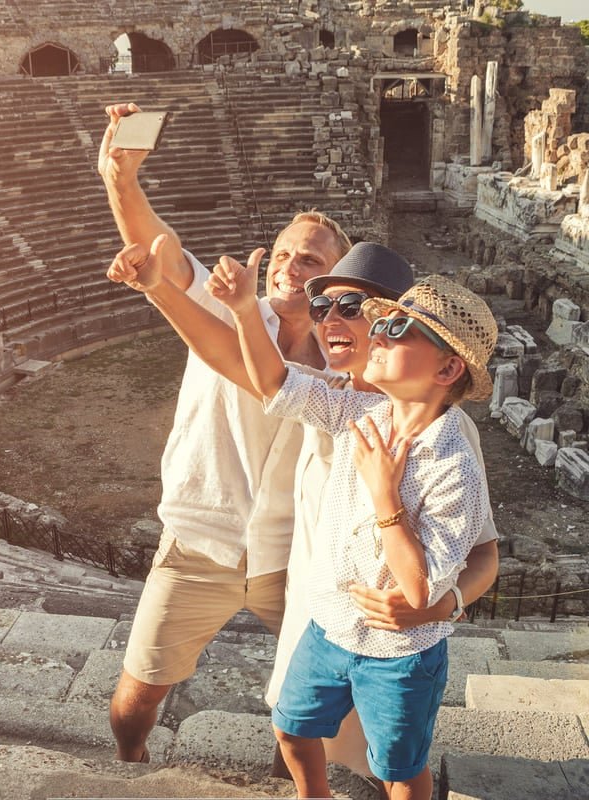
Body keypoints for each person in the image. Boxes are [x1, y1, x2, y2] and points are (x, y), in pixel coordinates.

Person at [98, 103, 499, 771]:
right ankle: (129, 761)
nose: (293, 270)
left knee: (332, 718)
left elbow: (481, 551)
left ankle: (365, 770)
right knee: (141, 686)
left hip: (304, 569)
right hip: (205, 535)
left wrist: (443, 602)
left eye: (334, 289)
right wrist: (121, 181)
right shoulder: (256, 337)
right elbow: (163, 257)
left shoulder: (375, 398)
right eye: (285, 257)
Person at [205, 262, 497, 800]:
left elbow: (418, 590)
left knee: (398, 768)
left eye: (398, 330)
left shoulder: (455, 463)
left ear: (448, 368)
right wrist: (246, 311)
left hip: (401, 650)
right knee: (291, 727)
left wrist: (386, 498)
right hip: (332, 624)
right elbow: (276, 383)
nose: (378, 336)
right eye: (380, 325)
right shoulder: (365, 412)